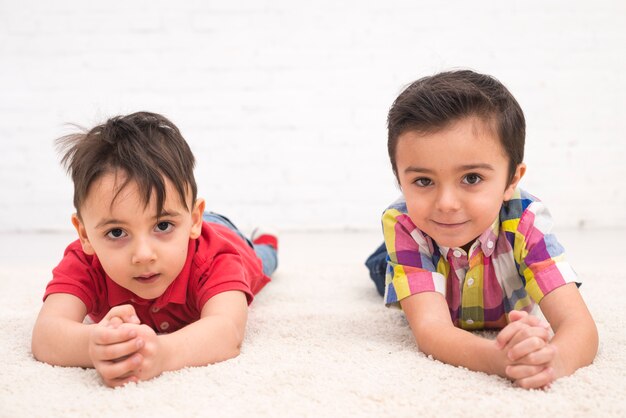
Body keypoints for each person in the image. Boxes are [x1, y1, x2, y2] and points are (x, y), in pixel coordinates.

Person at [364, 70, 597, 389]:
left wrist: (552, 360)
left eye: (471, 178)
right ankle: (385, 264)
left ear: (512, 180)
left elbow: (579, 325)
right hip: (421, 248)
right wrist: (499, 360)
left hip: (486, 250)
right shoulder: (405, 222)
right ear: (399, 178)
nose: (446, 203)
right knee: (379, 270)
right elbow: (432, 332)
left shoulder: (526, 221)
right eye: (423, 181)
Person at [31, 111, 278, 387]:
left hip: (228, 237)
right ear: (86, 235)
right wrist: (92, 345)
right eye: (116, 232)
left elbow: (227, 330)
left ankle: (265, 241)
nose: (144, 255)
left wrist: (162, 354)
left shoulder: (217, 258)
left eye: (162, 226)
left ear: (193, 220)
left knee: (263, 259)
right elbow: (46, 334)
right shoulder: (85, 261)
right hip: (186, 219)